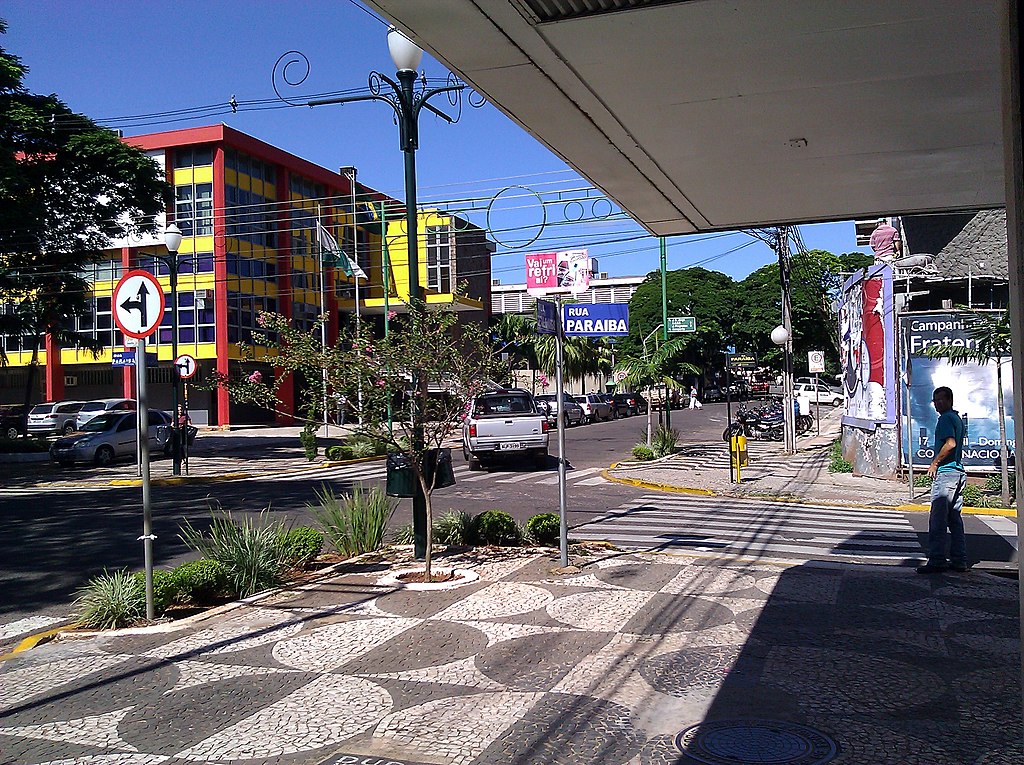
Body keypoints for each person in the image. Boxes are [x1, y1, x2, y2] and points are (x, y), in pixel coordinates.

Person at [917, 386, 968, 573]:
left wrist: (935, 463)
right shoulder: (956, 418)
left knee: (938, 520)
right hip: (958, 473)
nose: (937, 404)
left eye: (941, 400)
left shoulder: (946, 419)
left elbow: (951, 444)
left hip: (946, 474)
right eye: (935, 400)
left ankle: (937, 560)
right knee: (955, 520)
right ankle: (959, 560)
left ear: (949, 400)